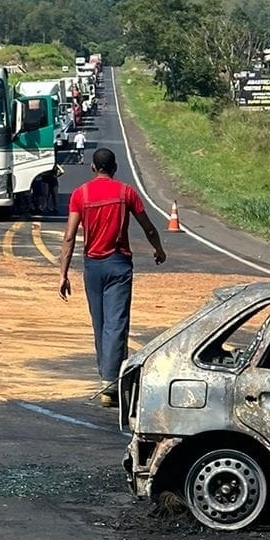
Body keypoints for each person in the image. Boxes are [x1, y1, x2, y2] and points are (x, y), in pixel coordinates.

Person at [58, 148, 166, 407]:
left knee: (100, 323)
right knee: (116, 324)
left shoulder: (80, 194)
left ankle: (107, 378)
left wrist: (62, 274)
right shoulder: (125, 192)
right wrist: (158, 249)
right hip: (118, 264)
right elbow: (148, 226)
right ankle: (110, 383)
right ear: (115, 167)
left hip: (92, 266)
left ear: (93, 168)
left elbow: (70, 236)